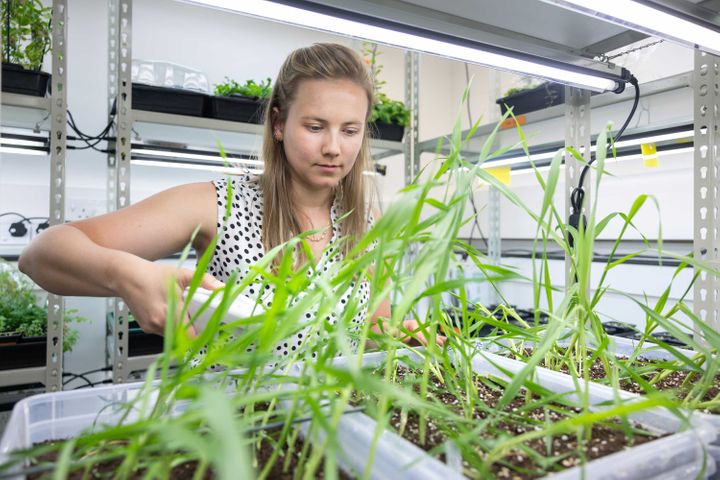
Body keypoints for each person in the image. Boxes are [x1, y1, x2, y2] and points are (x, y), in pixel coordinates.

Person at [19, 43, 441, 361]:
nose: (334, 147)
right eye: (315, 126)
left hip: (334, 428)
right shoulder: (218, 204)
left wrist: (401, 339)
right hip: (237, 430)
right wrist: (128, 275)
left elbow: (372, 328)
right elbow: (41, 254)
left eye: (350, 131)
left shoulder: (365, 218)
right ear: (278, 123)